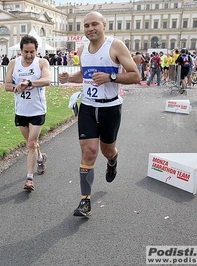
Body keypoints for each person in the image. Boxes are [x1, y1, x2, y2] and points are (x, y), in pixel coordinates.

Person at [58, 11, 140, 217]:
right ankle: (85, 201)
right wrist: (69, 78)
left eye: (94, 24)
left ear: (104, 25)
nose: (90, 28)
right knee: (89, 152)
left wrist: (111, 76)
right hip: (87, 106)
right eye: (86, 26)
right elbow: (85, 77)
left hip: (110, 108)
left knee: (106, 150)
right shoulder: (82, 50)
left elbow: (135, 75)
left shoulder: (115, 46)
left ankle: (113, 160)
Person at [4, 34, 51, 191]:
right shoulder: (13, 64)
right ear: (21, 50)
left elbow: (47, 80)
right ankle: (40, 158)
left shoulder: (42, 62)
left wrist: (29, 82)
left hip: (37, 110)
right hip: (21, 110)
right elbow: (7, 85)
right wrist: (16, 87)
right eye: (26, 52)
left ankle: (29, 179)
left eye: (32, 52)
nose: (29, 55)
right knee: (31, 143)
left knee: (31, 143)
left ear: (36, 50)